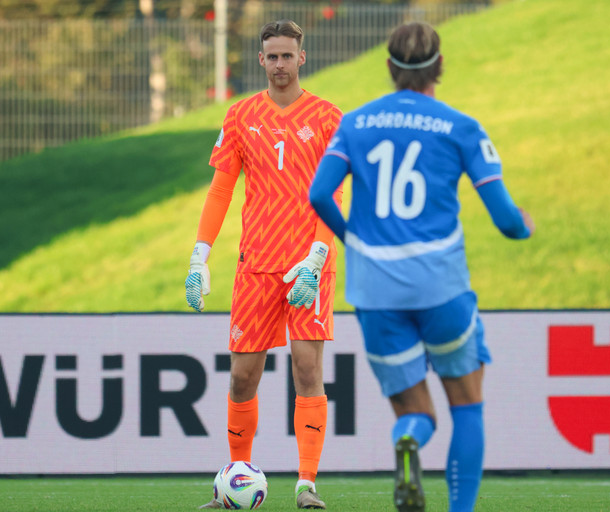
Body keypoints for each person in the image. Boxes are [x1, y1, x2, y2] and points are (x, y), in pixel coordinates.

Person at [309, 21, 535, 512]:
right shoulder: (461, 127)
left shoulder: (355, 124)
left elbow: (320, 194)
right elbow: (506, 221)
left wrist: (354, 241)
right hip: (440, 287)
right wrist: (525, 226)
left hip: (375, 290)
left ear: (389, 67)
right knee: (466, 404)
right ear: (440, 66)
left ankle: (408, 437)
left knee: (416, 411)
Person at [185, 19, 342, 510]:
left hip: (308, 265)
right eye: (271, 56)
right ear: (260, 60)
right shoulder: (240, 115)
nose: (279, 64)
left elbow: (335, 193)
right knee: (242, 376)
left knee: (307, 368)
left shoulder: (327, 117)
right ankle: (236, 475)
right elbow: (220, 190)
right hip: (256, 264)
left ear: (302, 58)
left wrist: (317, 257)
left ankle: (306, 485)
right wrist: (199, 257)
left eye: (286, 55)